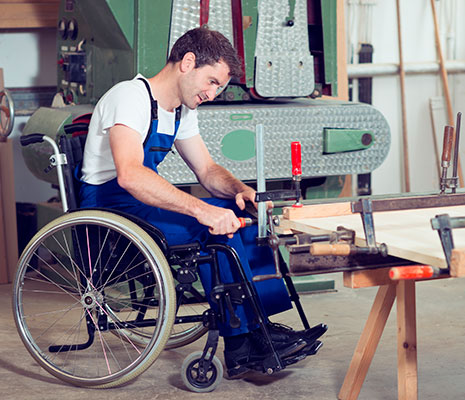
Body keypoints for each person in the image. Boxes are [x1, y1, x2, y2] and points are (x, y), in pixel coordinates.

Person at [78, 27, 326, 378]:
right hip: (112, 209)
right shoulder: (130, 97)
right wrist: (202, 209)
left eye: (218, 87)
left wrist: (242, 192)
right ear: (188, 62)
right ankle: (241, 344)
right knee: (209, 223)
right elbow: (130, 175)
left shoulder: (179, 110)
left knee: (240, 215)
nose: (212, 93)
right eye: (210, 82)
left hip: (144, 203)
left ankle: (259, 326)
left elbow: (207, 170)